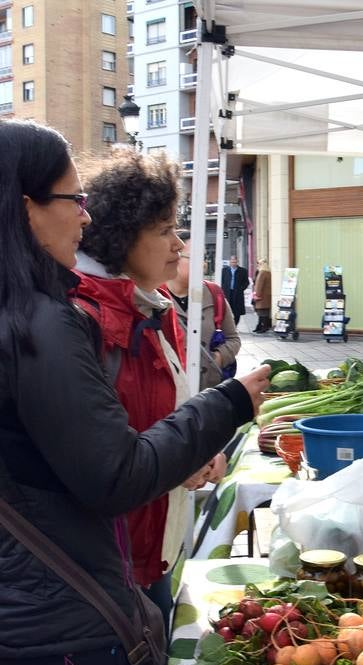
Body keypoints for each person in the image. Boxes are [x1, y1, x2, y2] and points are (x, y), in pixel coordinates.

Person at [0, 118, 269, 665]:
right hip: (57, 633)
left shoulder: (28, 312)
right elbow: (114, 473)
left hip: (25, 617)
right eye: (68, 199)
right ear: (24, 209)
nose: (82, 216)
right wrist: (226, 405)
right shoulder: (45, 323)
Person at [74, 150, 230, 633]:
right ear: (122, 236)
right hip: (112, 558)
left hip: (155, 541)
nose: (179, 245)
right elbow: (110, 450)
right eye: (164, 231)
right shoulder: (89, 319)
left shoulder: (154, 305)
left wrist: (204, 450)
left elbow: (172, 409)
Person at [164, 230, 241, 389]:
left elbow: (234, 339)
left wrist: (217, 358)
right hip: (170, 392)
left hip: (209, 390)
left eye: (204, 257)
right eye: (196, 257)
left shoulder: (214, 294)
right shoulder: (153, 296)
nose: (204, 263)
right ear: (173, 257)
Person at [221, 253, 250, 325]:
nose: (233, 263)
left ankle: (235, 325)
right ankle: (229, 324)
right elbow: (222, 281)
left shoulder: (243, 271)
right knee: (227, 309)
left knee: (237, 311)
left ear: (237, 262)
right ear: (229, 262)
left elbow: (246, 282)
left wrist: (241, 289)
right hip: (227, 293)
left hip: (237, 293)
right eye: (232, 262)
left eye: (234, 262)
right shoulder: (224, 270)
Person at [252, 257, 272, 333]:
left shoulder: (262, 273)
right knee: (265, 312)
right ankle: (261, 326)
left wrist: (256, 295)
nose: (258, 265)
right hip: (267, 296)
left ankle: (263, 327)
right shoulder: (268, 272)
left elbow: (258, 285)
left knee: (261, 312)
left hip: (261, 296)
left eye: (259, 264)